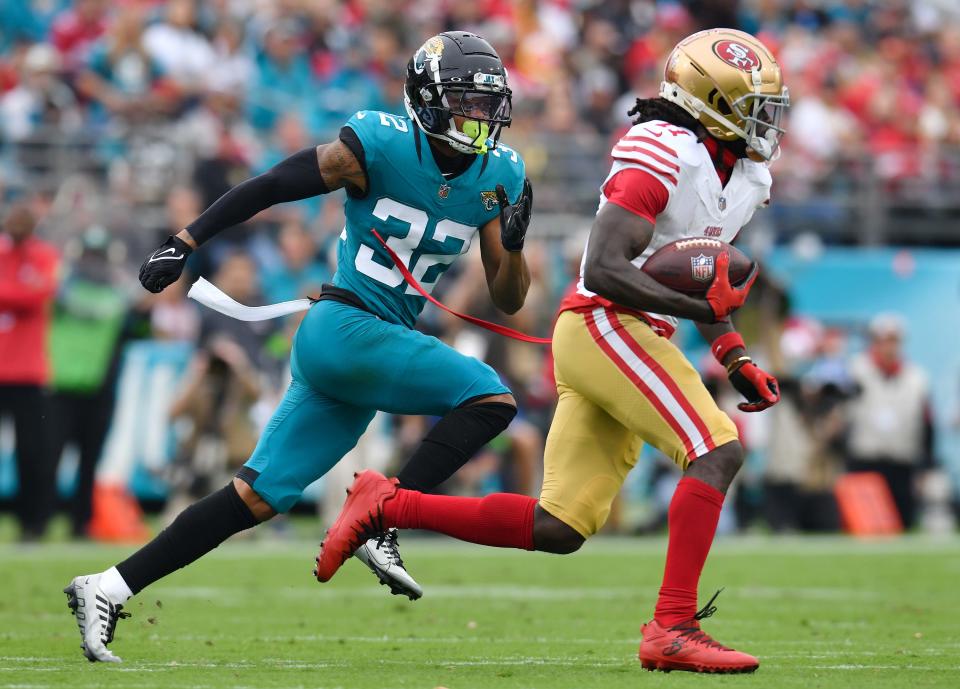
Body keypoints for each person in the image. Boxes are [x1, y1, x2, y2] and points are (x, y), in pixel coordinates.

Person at [316, 28, 788, 675]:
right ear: (709, 101)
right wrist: (701, 311)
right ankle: (672, 624)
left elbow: (698, 278)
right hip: (607, 322)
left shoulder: (748, 175)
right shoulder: (664, 147)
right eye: (752, 106)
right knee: (718, 448)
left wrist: (734, 355)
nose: (767, 122)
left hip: (631, 331)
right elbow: (607, 264)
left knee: (558, 527)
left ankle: (385, 503)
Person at [64, 31, 532, 663]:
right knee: (491, 396)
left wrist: (516, 242)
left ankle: (108, 586)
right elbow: (275, 183)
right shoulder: (381, 142)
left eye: (486, 105)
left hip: (365, 345)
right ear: (426, 98)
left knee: (256, 496)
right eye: (465, 103)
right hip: (347, 328)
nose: (479, 118)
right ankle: (382, 518)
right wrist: (185, 240)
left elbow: (508, 298)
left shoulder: (501, 174)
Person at [0, 203, 60, 541]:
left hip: (27, 372)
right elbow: (29, 294)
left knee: (32, 452)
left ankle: (33, 523)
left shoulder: (44, 256)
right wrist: (19, 293)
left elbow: (40, 294)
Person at [846, 313, 933, 529]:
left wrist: (926, 465)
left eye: (893, 340)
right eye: (883, 340)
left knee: (903, 522)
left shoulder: (917, 377)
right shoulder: (855, 370)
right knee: (866, 525)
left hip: (902, 460)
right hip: (864, 460)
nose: (888, 346)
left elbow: (927, 425)